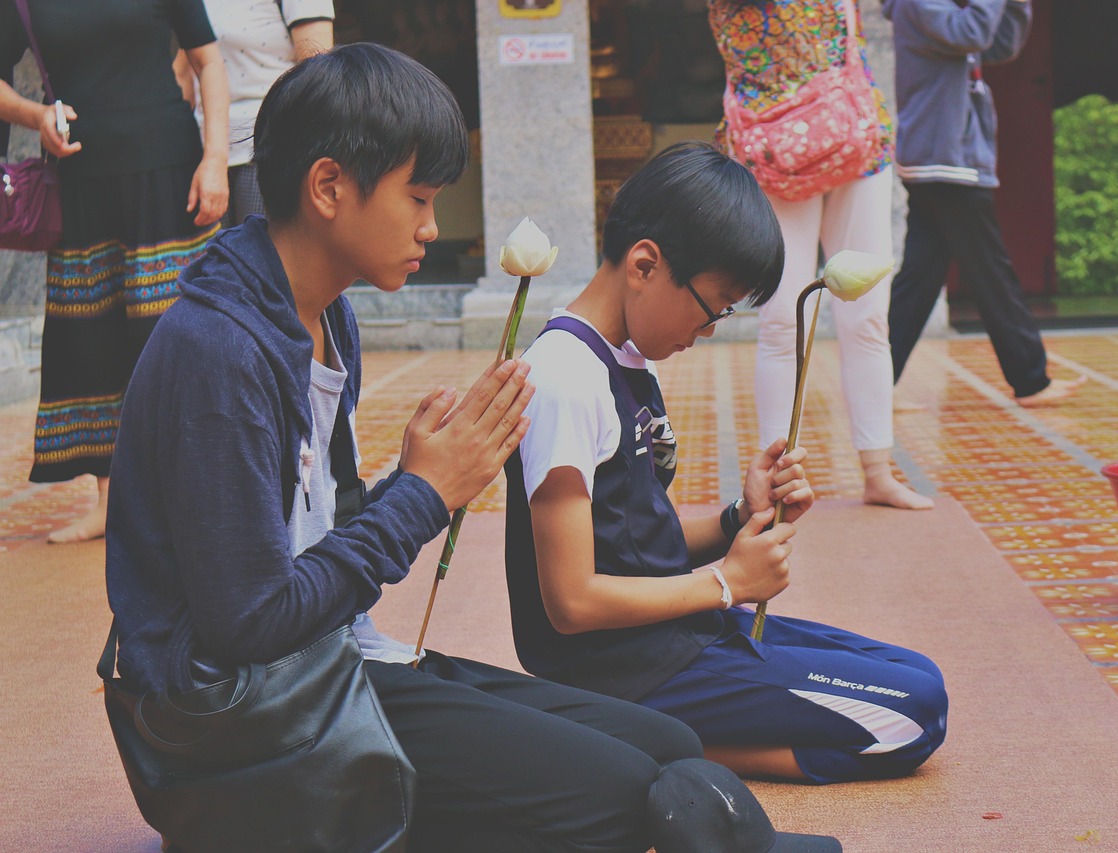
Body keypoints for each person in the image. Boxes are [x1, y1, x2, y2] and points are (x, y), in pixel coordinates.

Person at [104, 45, 838, 851]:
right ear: (328, 188)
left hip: (331, 663)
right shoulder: (220, 352)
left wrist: (401, 486)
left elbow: (309, 540)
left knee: (666, 744)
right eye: (418, 197)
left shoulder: (326, 319)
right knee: (626, 794)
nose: (432, 226)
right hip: (239, 723)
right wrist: (422, 494)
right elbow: (250, 623)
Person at [505, 142, 948, 786]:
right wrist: (727, 584)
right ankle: (640, 741)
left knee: (921, 678)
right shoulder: (566, 377)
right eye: (713, 306)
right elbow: (571, 601)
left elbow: (634, 545)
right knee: (910, 717)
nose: (708, 330)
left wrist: (742, 516)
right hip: (622, 670)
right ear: (645, 265)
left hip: (674, 634)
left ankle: (647, 731)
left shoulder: (623, 360)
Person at [0, 0, 229, 544]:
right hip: (80, 182)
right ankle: (111, 501)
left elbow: (209, 63)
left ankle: (197, 495)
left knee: (179, 335)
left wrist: (214, 157)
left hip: (170, 173)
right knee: (91, 340)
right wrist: (38, 116)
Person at [709, 0, 934, 510]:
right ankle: (777, 479)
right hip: (775, 146)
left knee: (868, 317)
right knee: (782, 319)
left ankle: (877, 470)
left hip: (853, 136)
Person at [883, 0, 1085, 407]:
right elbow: (973, 32)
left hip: (941, 159)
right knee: (992, 271)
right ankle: (1031, 380)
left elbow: (999, 43)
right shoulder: (920, 2)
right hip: (944, 159)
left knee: (919, 280)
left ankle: (875, 380)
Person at [173, 0, 334, 226]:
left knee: (261, 255)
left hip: (268, 147)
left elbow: (318, 73)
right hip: (205, 154)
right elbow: (183, 74)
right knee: (213, 258)